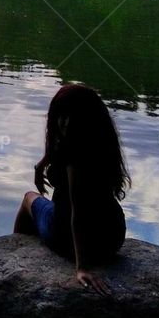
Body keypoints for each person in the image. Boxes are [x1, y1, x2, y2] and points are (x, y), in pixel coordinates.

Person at [14, 83, 129, 295]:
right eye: (61, 115)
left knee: (29, 198)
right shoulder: (102, 142)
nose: (63, 122)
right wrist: (42, 163)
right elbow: (56, 143)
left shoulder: (74, 158)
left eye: (69, 116)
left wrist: (81, 267)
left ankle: (14, 254)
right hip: (113, 236)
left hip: (67, 235)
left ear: (82, 118)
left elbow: (79, 211)